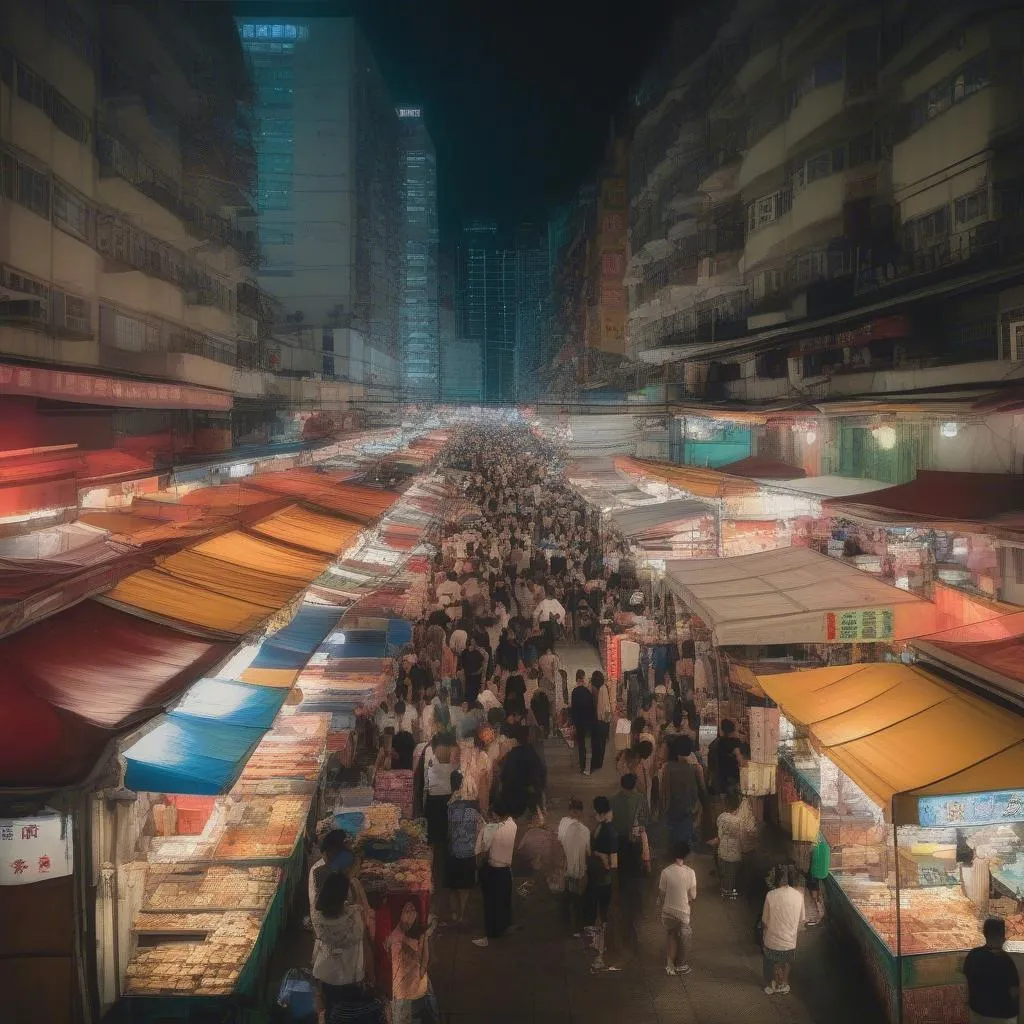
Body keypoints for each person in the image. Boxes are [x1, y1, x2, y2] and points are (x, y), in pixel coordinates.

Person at [311, 872, 369, 1019]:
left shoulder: (319, 919)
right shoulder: (354, 918)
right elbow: (365, 913)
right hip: (350, 980)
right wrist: (357, 889)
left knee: (332, 1015)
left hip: (327, 978)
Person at [385, 901, 438, 1024]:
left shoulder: (418, 933)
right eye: (406, 911)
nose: (411, 914)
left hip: (417, 990)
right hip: (403, 993)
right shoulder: (395, 938)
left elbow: (425, 959)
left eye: (413, 910)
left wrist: (422, 973)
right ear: (399, 914)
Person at [474, 801, 517, 947]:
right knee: (504, 900)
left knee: (491, 904)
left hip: (494, 869)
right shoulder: (513, 825)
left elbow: (482, 850)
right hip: (506, 870)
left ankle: (492, 933)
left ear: (495, 814)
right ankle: (504, 926)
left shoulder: (491, 829)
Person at [963, 916, 1019, 1024]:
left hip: (978, 1014)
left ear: (984, 934)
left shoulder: (973, 955)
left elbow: (967, 982)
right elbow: (1014, 991)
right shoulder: (1006, 961)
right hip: (1003, 1017)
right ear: (1003, 936)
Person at [445, 770, 483, 925]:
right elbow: (479, 830)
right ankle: (461, 914)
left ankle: (454, 914)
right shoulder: (473, 810)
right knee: (465, 888)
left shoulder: (450, 807)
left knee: (453, 886)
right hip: (468, 853)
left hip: (453, 852)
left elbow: (448, 831)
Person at [761, 864, 806, 995]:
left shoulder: (770, 895)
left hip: (772, 941)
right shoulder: (799, 896)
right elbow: (802, 920)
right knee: (786, 962)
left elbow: (765, 920)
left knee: (770, 961)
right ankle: (784, 984)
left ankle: (771, 985)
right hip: (790, 942)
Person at [657, 841, 697, 976]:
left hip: (667, 912)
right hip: (683, 913)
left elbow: (662, 894)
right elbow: (693, 895)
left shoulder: (665, 872)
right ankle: (682, 964)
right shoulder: (691, 873)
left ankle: (669, 964)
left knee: (671, 935)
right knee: (685, 935)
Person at [589, 795, 617, 971]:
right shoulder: (609, 831)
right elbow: (613, 863)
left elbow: (610, 861)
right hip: (604, 877)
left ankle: (600, 946)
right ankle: (602, 947)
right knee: (604, 913)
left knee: (601, 913)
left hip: (600, 877)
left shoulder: (600, 829)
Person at [660, 735, 702, 850]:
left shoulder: (667, 767)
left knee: (673, 839)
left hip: (672, 810)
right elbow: (694, 792)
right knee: (684, 841)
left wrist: (664, 807)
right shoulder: (692, 768)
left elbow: (664, 790)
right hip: (686, 811)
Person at [557, 797, 590, 937]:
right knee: (577, 899)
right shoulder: (585, 830)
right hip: (578, 868)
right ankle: (577, 928)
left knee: (566, 895)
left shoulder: (563, 823)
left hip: (565, 867)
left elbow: (559, 843)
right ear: (580, 812)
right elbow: (588, 851)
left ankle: (563, 923)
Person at [707, 792, 745, 898]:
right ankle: (731, 891)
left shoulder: (721, 818)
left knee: (724, 874)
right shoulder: (740, 820)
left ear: (726, 805)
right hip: (736, 856)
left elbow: (719, 837)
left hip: (722, 854)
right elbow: (743, 839)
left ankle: (725, 890)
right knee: (732, 876)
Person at [569, 669, 595, 775]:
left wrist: (573, 722)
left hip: (578, 722)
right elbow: (591, 708)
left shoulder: (574, 692)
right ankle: (588, 767)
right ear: (583, 678)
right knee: (588, 745)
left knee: (581, 744)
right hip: (588, 722)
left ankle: (582, 765)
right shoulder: (587, 692)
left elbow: (573, 709)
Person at [590, 670, 612, 772]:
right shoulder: (604, 689)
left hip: (594, 721)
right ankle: (599, 763)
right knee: (602, 743)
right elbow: (607, 707)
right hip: (602, 721)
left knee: (595, 742)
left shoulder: (592, 689)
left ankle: (595, 762)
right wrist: (607, 722)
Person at [459, 636, 487, 705]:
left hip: (475, 675)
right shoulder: (465, 652)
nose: (473, 644)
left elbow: (483, 663)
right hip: (468, 675)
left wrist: (479, 671)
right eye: (472, 642)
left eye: (474, 642)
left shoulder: (478, 653)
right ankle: (469, 702)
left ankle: (472, 702)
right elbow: (463, 664)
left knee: (473, 686)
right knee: (469, 685)